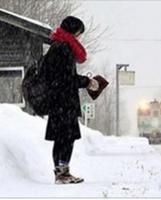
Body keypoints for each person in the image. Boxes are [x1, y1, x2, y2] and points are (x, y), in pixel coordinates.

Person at [44, 16, 99, 184]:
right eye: (78, 33)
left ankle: (62, 172)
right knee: (66, 138)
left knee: (63, 137)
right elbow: (66, 78)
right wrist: (88, 82)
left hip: (58, 101)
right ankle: (62, 173)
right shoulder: (63, 48)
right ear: (73, 31)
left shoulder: (57, 46)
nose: (79, 37)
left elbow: (61, 77)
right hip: (63, 102)